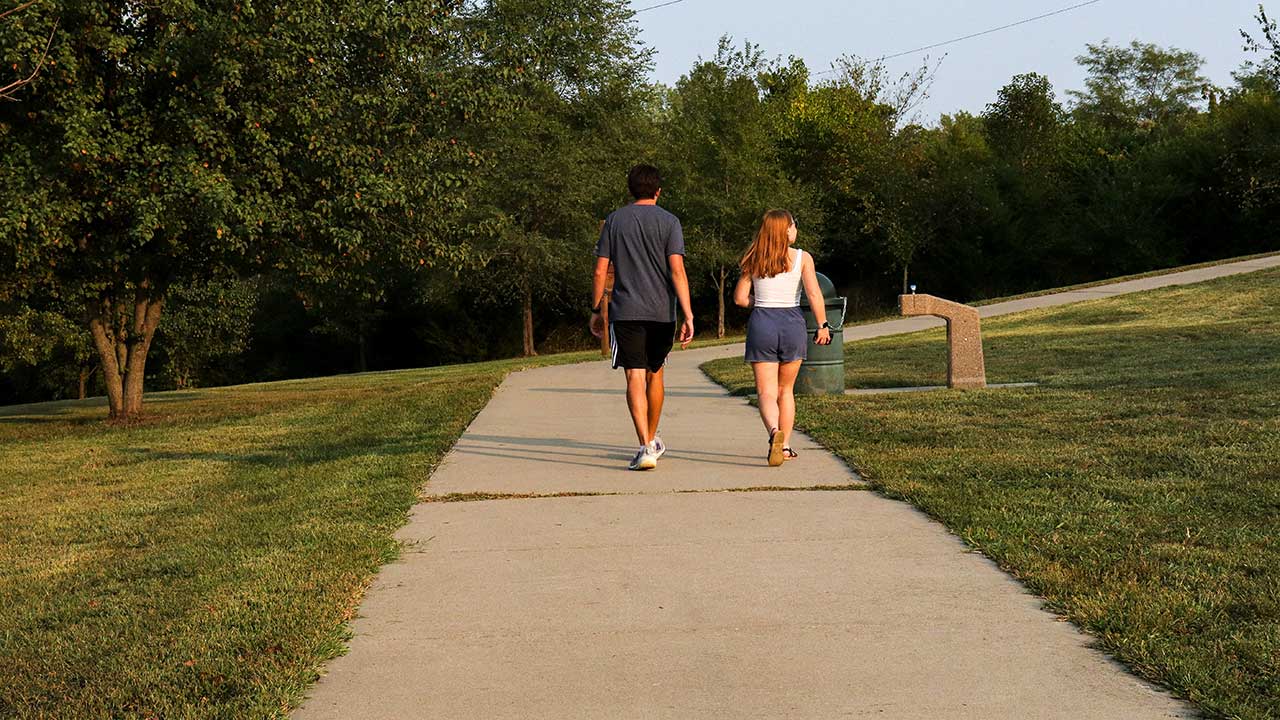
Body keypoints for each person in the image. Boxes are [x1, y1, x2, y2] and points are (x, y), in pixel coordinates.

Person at [590, 164, 695, 471]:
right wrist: (687, 314)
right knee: (656, 373)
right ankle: (651, 441)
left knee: (634, 374)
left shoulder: (614, 220)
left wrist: (596, 309)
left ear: (630, 190)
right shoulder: (670, 222)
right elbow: (677, 270)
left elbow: (600, 270)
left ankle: (646, 445)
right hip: (662, 312)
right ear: (658, 191)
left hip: (626, 312)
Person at [733, 209, 832, 467]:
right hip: (792, 324)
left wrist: (761, 301)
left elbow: (740, 299)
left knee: (766, 392)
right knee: (785, 390)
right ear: (786, 230)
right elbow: (813, 294)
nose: (796, 229)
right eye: (794, 225)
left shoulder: (754, 257)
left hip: (762, 322)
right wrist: (822, 325)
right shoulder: (802, 258)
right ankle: (785, 446)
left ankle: (773, 431)